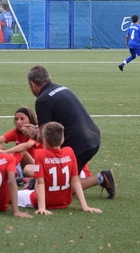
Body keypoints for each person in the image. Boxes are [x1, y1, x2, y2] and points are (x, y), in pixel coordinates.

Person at [25, 64, 116, 198]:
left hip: (79, 144)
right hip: (92, 136)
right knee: (59, 179)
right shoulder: (62, 88)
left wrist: (34, 134)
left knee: (60, 190)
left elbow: (44, 137)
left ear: (32, 84)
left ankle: (101, 178)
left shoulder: (42, 99)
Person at [17, 122, 103, 215]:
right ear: (62, 140)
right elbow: (75, 181)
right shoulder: (69, 151)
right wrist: (85, 206)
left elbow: (40, 183)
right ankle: (29, 182)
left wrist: (42, 207)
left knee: (10, 194)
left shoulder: (40, 154)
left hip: (43, 200)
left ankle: (28, 184)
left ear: (44, 140)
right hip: (64, 202)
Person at [0, 106, 40, 177]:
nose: (18, 122)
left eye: (22, 119)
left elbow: (26, 146)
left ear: (30, 120)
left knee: (22, 151)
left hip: (35, 165)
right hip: (20, 164)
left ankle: (7, 171)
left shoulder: (35, 132)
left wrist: (6, 152)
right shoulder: (16, 131)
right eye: (16, 119)